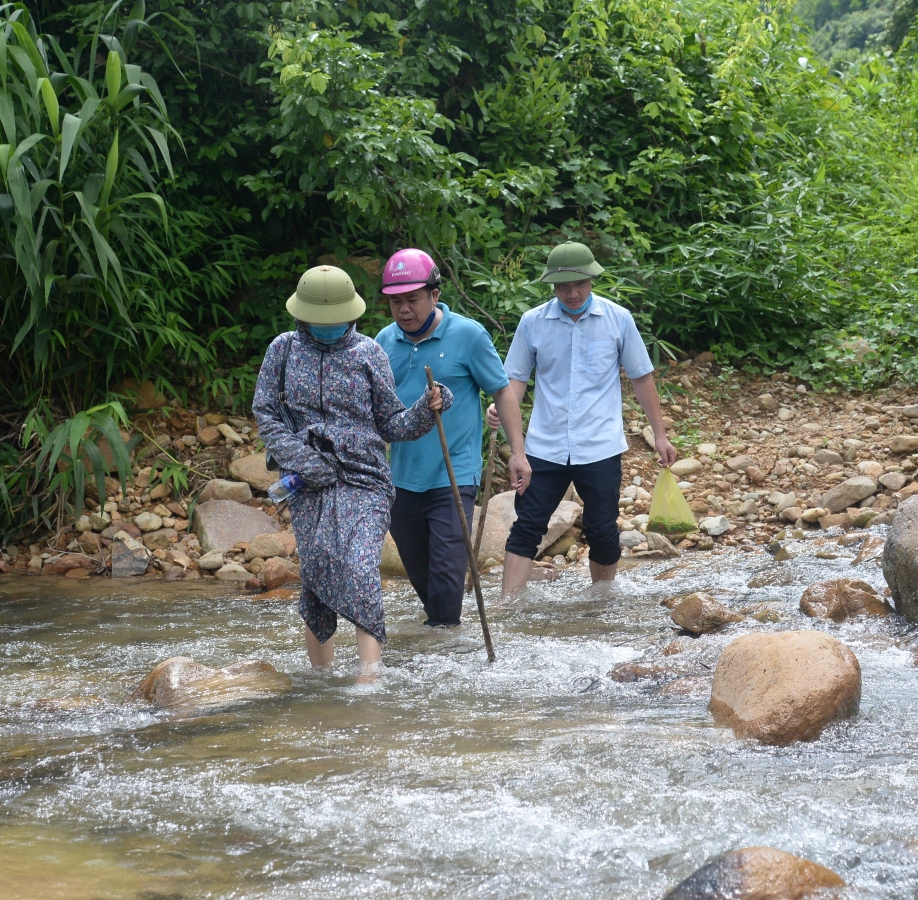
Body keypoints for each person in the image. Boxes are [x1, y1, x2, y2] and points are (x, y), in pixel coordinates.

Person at [253, 264, 451, 681]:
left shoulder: (367, 353)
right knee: (318, 573)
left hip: (365, 480)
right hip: (308, 484)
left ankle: (369, 674)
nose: (327, 328)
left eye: (336, 321)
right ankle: (320, 679)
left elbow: (391, 424)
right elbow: (267, 415)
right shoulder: (282, 350)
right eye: (318, 321)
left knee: (360, 566)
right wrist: (304, 460)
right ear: (301, 315)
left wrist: (426, 410)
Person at [486, 241, 677, 598]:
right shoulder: (533, 322)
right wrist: (501, 407)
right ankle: (506, 608)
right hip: (545, 446)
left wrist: (661, 435)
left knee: (602, 529)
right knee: (527, 526)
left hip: (599, 445)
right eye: (562, 286)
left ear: (592, 280)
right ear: (552, 286)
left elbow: (641, 377)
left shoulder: (617, 319)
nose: (572, 293)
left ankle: (602, 605)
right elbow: (516, 379)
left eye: (579, 284)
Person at [374, 249, 529, 627]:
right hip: (401, 477)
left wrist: (518, 453)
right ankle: (442, 637)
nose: (404, 309)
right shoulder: (382, 341)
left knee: (446, 572)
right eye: (396, 301)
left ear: (435, 295)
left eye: (412, 299)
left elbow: (502, 390)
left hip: (453, 472)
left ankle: (443, 643)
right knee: (420, 572)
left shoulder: (468, 335)